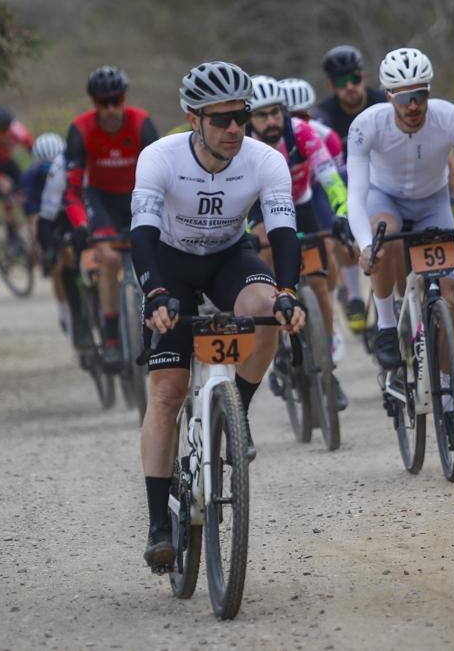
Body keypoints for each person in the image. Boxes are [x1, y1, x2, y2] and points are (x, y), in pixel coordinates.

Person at [129, 61, 305, 567]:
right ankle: (158, 524)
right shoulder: (159, 157)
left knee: (266, 310)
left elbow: (283, 232)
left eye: (241, 116)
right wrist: (154, 293)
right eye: (221, 119)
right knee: (168, 391)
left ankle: (236, 412)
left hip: (229, 257)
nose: (234, 128)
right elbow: (142, 234)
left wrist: (288, 292)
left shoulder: (265, 159)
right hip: (170, 263)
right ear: (193, 119)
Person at [347, 47, 454, 448]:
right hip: (385, 199)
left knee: (447, 297)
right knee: (384, 235)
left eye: (420, 95)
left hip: (434, 203)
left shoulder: (451, 119)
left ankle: (449, 401)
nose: (414, 106)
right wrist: (365, 246)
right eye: (404, 98)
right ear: (389, 96)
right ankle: (386, 325)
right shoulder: (367, 125)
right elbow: (356, 196)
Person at [246, 75, 350, 410]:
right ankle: (276, 347)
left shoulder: (302, 133)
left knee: (319, 286)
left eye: (276, 112)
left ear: (285, 111)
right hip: (260, 208)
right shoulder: (242, 145)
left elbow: (329, 177)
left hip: (300, 204)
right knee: (266, 249)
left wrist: (343, 212)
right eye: (262, 115)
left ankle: (327, 364)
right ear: (249, 118)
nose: (271, 121)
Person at [63, 65, 160, 370]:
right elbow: (72, 189)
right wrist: (80, 224)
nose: (109, 109)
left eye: (115, 101)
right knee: (110, 259)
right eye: (102, 103)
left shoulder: (141, 123)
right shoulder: (80, 129)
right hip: (101, 198)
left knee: (156, 253)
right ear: (94, 103)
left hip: (138, 194)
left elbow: (163, 176)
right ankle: (111, 337)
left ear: (124, 98)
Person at [281, 76, 368, 338]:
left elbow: (336, 180)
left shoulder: (325, 136)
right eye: (291, 116)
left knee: (332, 241)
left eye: (303, 116)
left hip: (313, 188)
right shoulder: (268, 137)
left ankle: (338, 295)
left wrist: (345, 212)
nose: (298, 123)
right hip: (280, 197)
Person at [19, 132, 67, 329]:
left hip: (69, 214)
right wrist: (39, 246)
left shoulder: (71, 168)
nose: (51, 171)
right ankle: (64, 311)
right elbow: (32, 218)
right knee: (56, 267)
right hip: (46, 219)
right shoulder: (29, 178)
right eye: (46, 166)